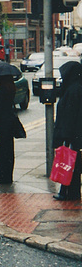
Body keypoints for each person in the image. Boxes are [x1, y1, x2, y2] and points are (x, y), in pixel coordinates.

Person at [53, 61, 82, 200]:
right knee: (72, 164)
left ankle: (69, 193)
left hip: (72, 134)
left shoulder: (73, 90)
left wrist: (65, 136)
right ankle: (69, 192)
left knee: (71, 164)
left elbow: (70, 115)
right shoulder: (75, 87)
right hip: (75, 133)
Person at [0, 74, 16, 184]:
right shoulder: (11, 88)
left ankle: (1, 178)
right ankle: (8, 177)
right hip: (10, 124)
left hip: (1, 125)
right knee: (9, 151)